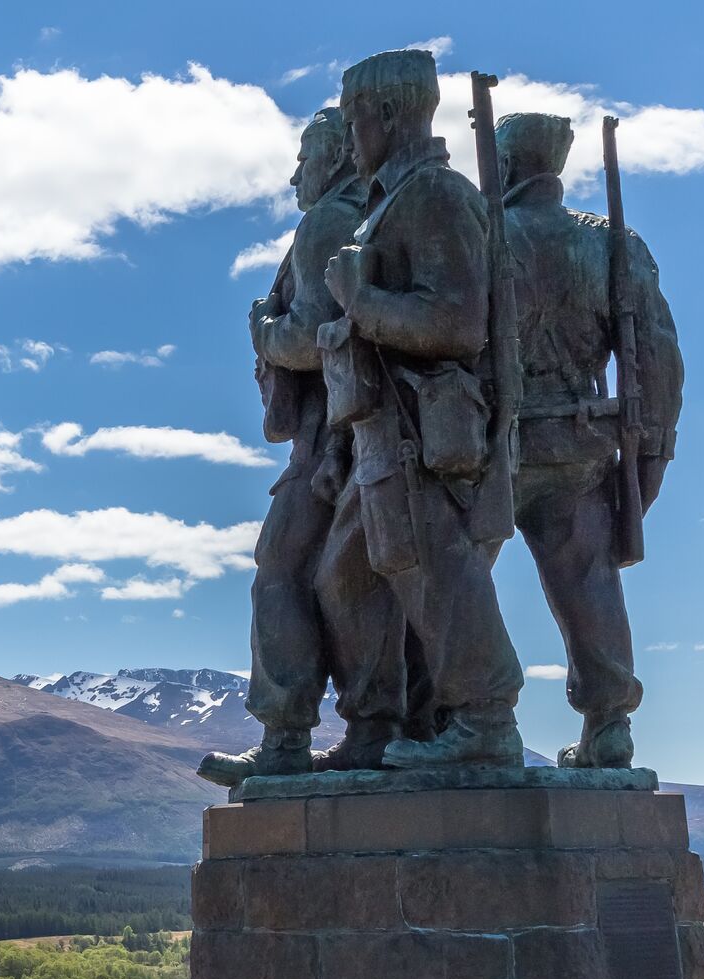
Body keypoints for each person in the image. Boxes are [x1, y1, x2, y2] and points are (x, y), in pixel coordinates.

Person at [317, 47, 526, 769]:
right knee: (344, 578)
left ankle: (486, 720)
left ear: (386, 112)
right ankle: (374, 727)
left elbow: (459, 323)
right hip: (378, 430)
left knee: (438, 574)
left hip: (422, 431)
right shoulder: (391, 200)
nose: (350, 138)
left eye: (353, 120)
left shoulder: (435, 194)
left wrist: (361, 301)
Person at [201, 107, 400, 784]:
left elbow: (312, 337)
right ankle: (369, 728)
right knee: (354, 579)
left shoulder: (327, 223)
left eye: (305, 160)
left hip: (331, 433)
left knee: (283, 570)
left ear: (337, 158)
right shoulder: (377, 217)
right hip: (361, 428)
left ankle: (289, 736)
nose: (295, 177)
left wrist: (263, 329)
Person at [497, 111, 682, 768]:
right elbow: (656, 359)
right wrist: (652, 452)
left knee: (453, 577)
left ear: (507, 165)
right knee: (588, 579)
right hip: (581, 441)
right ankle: (608, 723)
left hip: (493, 444)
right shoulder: (609, 244)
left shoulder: (485, 236)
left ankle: (465, 715)